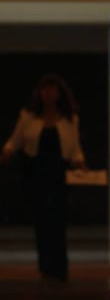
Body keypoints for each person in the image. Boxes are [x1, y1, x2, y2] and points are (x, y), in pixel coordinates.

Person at [1, 74, 86, 283]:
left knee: (58, 221)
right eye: (45, 90)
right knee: (42, 222)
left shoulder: (69, 119)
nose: (49, 94)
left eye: (53, 90)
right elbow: (16, 140)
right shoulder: (28, 117)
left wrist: (80, 163)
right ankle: (46, 268)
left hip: (59, 173)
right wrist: (7, 152)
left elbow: (74, 147)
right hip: (36, 173)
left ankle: (59, 269)